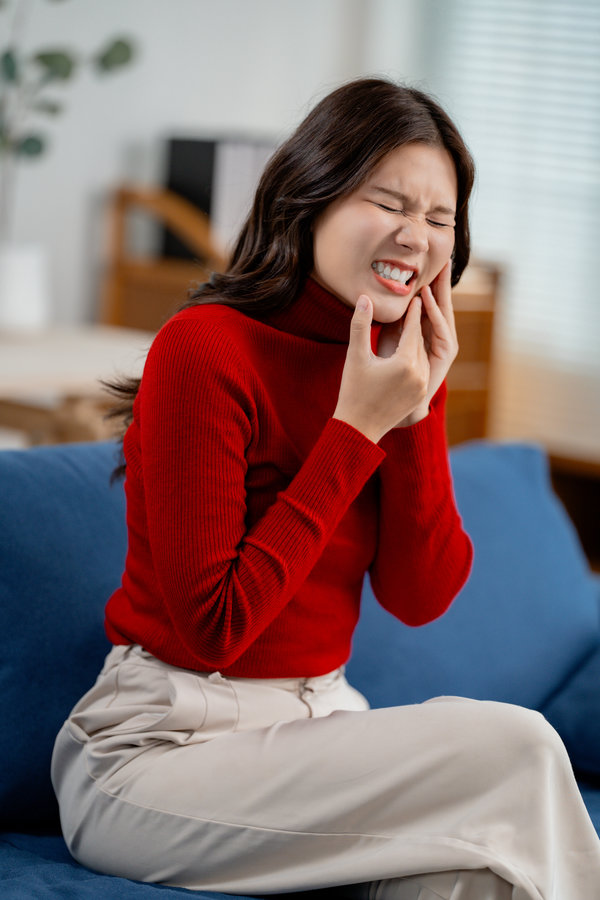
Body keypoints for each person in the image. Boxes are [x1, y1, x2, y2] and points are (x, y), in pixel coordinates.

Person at [52, 78, 600, 900]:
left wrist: (414, 411)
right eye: (389, 201)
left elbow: (420, 595)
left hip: (318, 731)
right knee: (518, 746)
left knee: (478, 882)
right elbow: (213, 632)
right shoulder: (205, 351)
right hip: (162, 754)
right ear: (310, 196)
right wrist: (356, 432)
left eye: (441, 219)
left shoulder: (399, 364)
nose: (417, 236)